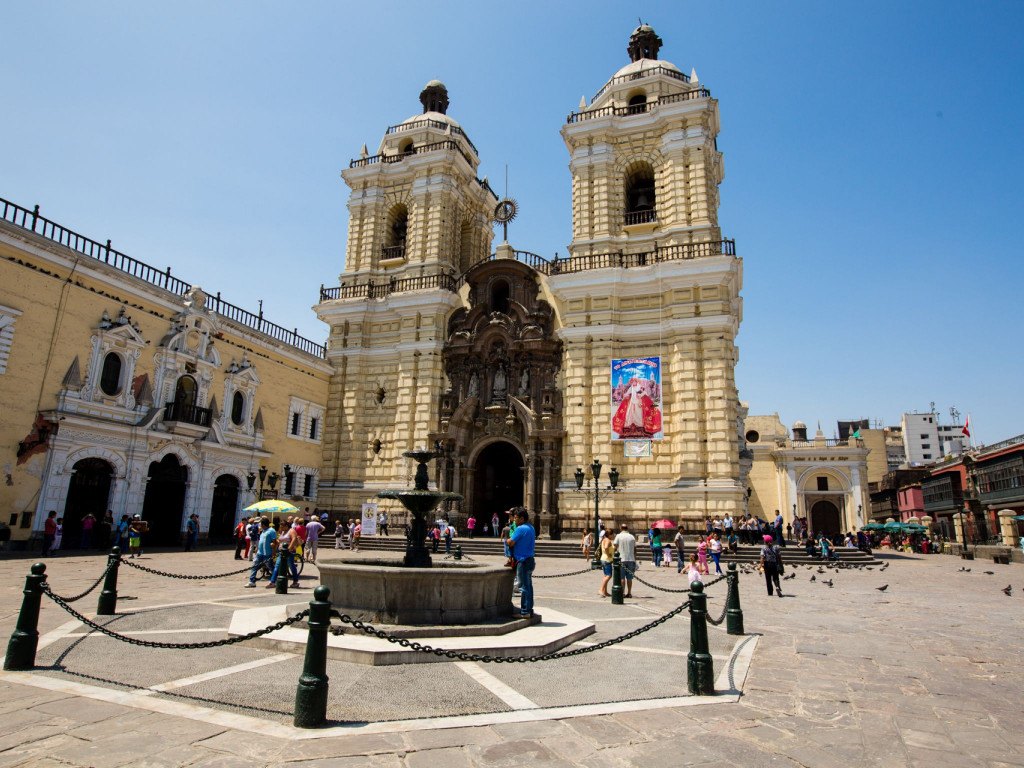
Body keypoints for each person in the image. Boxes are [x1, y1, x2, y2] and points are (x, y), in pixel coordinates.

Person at [508, 508, 536, 617]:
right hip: (530, 560)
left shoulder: (520, 529)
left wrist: (507, 541)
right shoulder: (531, 528)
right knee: (528, 586)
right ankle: (529, 609)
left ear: (522, 518)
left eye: (516, 518)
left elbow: (510, 542)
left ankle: (525, 612)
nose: (514, 520)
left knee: (524, 587)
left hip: (523, 561)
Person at [268, 521, 301, 588]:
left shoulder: (291, 530)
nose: (280, 528)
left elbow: (294, 539)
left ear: (286, 526)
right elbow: (280, 541)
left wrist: (288, 549)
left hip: (289, 552)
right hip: (281, 552)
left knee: (291, 566)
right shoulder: (283, 532)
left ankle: (295, 581)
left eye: (282, 526)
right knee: (277, 565)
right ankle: (272, 582)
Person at [245, 517, 276, 587]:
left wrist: (273, 552)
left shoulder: (271, 531)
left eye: (260, 524)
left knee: (271, 567)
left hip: (267, 554)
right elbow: (261, 541)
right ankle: (252, 581)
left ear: (263, 525)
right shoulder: (263, 531)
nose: (259, 526)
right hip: (260, 553)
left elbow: (275, 542)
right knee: (254, 566)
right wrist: (257, 548)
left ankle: (275, 581)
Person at [613, 523, 637, 598]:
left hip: (621, 559)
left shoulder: (618, 536)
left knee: (622, 577)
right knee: (629, 578)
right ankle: (629, 593)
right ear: (627, 528)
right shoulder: (632, 537)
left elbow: (615, 545)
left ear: (621, 528)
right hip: (631, 559)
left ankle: (622, 592)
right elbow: (635, 549)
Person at [598, 529, 615, 597]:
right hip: (607, 559)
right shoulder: (608, 540)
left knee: (606, 575)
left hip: (603, 559)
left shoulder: (604, 539)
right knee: (608, 575)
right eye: (612, 534)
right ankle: (601, 589)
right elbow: (606, 547)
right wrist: (609, 555)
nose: (613, 535)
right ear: (610, 535)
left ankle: (605, 591)